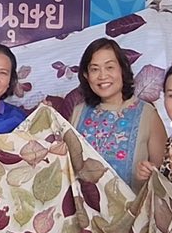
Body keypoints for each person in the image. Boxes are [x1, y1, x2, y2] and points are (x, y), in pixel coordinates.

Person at [70, 38, 165, 187]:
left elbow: (164, 174)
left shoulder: (147, 114)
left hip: (133, 202)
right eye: (94, 69)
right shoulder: (78, 113)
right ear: (86, 75)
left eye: (110, 67)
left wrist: (149, 174)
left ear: (122, 69)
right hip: (84, 202)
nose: (102, 76)